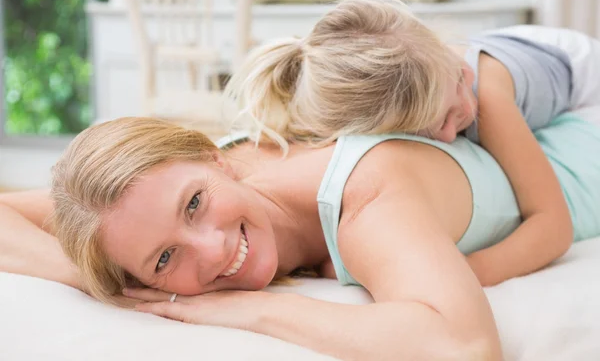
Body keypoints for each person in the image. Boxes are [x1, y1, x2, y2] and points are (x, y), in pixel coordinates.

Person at [3, 104, 600, 359]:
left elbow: (464, 347)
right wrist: (102, 279)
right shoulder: (128, 211)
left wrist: (249, 311)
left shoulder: (363, 201)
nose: (211, 249)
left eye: (195, 204)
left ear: (217, 158)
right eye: (164, 260)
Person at [224, 0, 600, 286]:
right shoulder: (374, 113)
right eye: (434, 129)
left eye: (458, 82)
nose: (454, 132)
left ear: (442, 48)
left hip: (578, 66)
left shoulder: (486, 95)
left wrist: (467, 271)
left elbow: (554, 227)